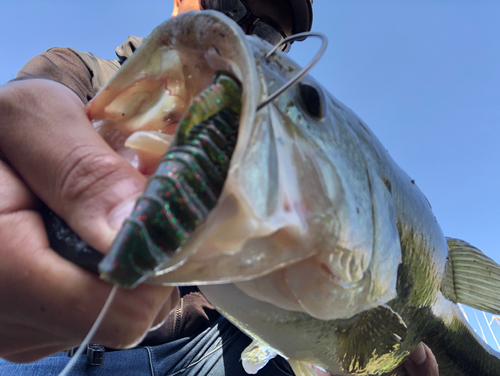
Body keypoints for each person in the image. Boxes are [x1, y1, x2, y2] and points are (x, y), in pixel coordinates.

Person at [0, 0, 437, 375]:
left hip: (206, 350)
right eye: (229, 6)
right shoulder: (79, 71)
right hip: (53, 347)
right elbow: (33, 104)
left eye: (268, 34)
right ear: (180, 2)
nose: (241, 33)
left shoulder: (276, 145)